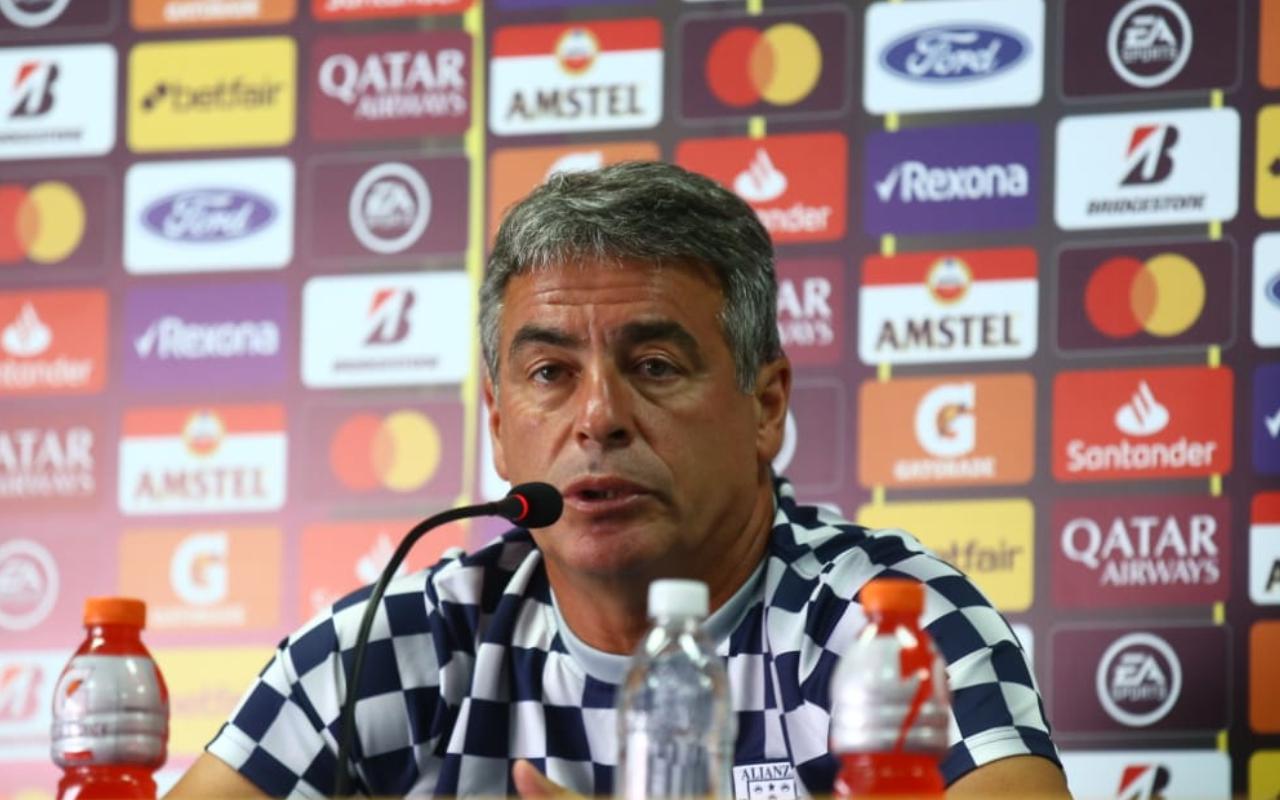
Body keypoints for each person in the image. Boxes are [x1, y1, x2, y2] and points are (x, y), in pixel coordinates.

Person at [168, 162, 1070, 799]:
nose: (598, 416)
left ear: (766, 405)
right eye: (551, 374)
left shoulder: (882, 626)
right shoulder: (393, 650)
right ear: (496, 420)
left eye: (654, 364)